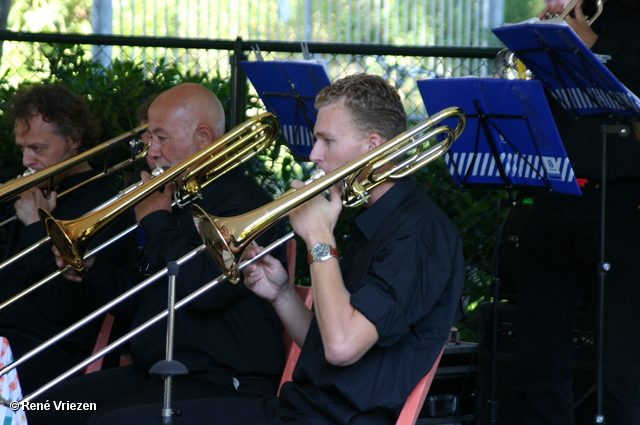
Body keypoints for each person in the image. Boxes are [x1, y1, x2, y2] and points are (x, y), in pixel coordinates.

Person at [85, 73, 466, 425]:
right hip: (299, 408)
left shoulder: (418, 234)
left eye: (328, 141)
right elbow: (323, 342)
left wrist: (319, 240)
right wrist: (281, 294)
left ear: (373, 146)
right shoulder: (375, 220)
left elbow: (341, 347)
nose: (314, 154)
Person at [26, 82, 287, 425]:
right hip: (159, 375)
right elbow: (145, 301)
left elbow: (204, 292)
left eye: (161, 138)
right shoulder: (174, 198)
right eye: (149, 137)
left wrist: (158, 222)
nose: (151, 151)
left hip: (222, 381)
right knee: (44, 408)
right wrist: (91, 270)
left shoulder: (243, 204)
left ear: (204, 138)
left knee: (105, 421)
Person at [513, 1, 640, 425]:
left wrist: (591, 48)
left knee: (621, 370)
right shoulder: (582, 9)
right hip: (555, 189)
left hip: (623, 200)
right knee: (537, 357)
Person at [0, 83, 139, 395]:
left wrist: (37, 226)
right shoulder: (35, 193)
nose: (25, 161)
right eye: (22, 148)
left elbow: (60, 309)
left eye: (37, 149)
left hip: (51, 357)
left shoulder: (100, 205)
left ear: (74, 140)